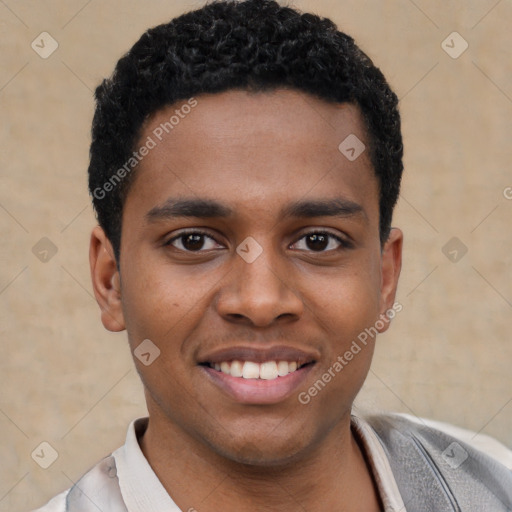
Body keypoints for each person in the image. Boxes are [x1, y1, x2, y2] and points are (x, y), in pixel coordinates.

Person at [33, 0, 512, 510]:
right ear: (111, 281)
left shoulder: (492, 484)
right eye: (194, 241)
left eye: (318, 241)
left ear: (386, 278)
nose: (261, 301)